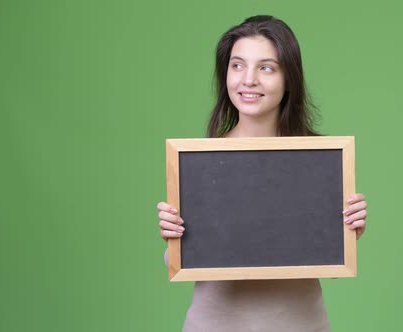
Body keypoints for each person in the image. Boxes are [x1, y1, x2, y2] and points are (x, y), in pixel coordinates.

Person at [157, 15, 368, 331]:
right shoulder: (200, 164)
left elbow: (325, 256)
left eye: (266, 67)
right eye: (237, 65)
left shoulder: (319, 161)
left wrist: (346, 232)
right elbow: (186, 261)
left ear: (288, 79)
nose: (248, 80)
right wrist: (175, 237)